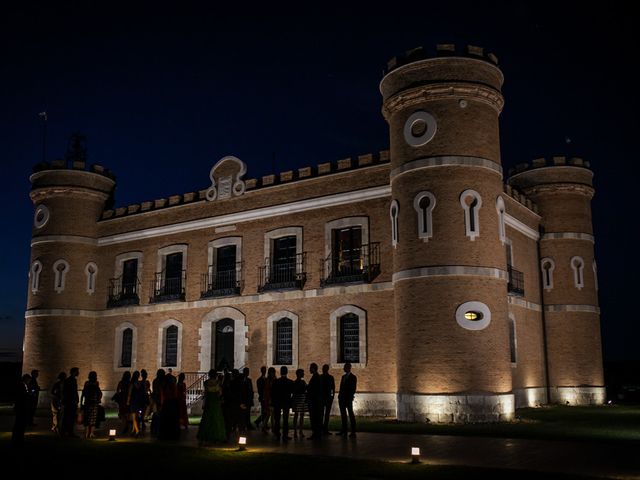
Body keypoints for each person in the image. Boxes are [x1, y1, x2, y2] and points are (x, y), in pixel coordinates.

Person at [197, 370, 226, 445]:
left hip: (209, 402)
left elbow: (206, 393)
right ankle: (216, 437)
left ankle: (204, 437)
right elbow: (220, 393)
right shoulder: (218, 383)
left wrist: (204, 403)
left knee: (206, 419)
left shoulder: (206, 382)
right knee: (216, 419)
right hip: (215, 402)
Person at [271, 366, 293, 441]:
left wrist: (273, 402)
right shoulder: (290, 382)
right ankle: (285, 435)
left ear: (280, 372)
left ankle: (277, 434)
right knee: (285, 419)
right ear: (287, 372)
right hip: (286, 402)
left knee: (277, 419)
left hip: (277, 402)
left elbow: (273, 393)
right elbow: (292, 392)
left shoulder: (276, 382)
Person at [80, 371, 102, 438]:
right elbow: (98, 392)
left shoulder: (86, 383)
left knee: (87, 418)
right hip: (94, 403)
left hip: (87, 402)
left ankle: (87, 433)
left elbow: (83, 393)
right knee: (93, 418)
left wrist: (81, 402)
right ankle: (91, 433)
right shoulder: (96, 383)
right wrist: (98, 399)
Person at [338, 362, 357, 437]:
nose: (343, 368)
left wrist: (350, 397)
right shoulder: (343, 377)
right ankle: (344, 430)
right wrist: (339, 396)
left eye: (345, 367)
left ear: (349, 368)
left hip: (348, 399)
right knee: (343, 415)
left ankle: (353, 431)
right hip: (342, 399)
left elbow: (353, 389)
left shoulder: (353, 377)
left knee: (351, 414)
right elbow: (341, 387)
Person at [12, 374, 31, 446]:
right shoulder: (21, 385)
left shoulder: (24, 385)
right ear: (26, 379)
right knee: (19, 424)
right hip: (21, 408)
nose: (29, 381)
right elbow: (20, 396)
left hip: (22, 407)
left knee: (21, 424)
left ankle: (19, 438)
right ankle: (17, 439)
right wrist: (27, 394)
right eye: (28, 379)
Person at [306, 363, 323, 439]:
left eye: (310, 368)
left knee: (314, 418)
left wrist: (307, 388)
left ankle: (316, 434)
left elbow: (314, 389)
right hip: (316, 401)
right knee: (316, 418)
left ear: (313, 368)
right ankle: (317, 433)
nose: (309, 369)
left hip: (314, 402)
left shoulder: (316, 377)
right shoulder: (316, 377)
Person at [61, 367, 79, 438]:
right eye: (77, 371)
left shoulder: (71, 380)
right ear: (74, 372)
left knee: (69, 417)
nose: (78, 373)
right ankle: (68, 432)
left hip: (70, 401)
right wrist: (74, 399)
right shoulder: (71, 380)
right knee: (69, 417)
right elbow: (71, 391)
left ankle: (67, 431)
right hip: (70, 402)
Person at [291, 368, 307, 438]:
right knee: (299, 415)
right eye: (302, 373)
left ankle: (297, 431)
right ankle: (298, 431)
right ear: (299, 374)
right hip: (299, 399)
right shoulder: (302, 382)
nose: (303, 374)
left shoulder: (295, 382)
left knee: (298, 415)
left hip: (299, 399)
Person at [320, 364, 335, 435]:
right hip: (322, 398)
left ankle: (325, 428)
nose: (323, 370)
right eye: (323, 368)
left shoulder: (330, 377)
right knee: (321, 414)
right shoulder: (320, 377)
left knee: (326, 414)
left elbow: (332, 389)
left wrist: (332, 397)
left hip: (327, 398)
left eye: (324, 368)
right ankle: (322, 428)